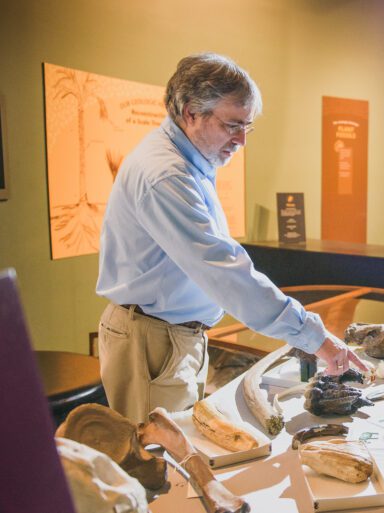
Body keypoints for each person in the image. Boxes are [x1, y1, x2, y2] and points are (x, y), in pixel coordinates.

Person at [96, 53, 365, 423]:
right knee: (159, 465)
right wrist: (312, 335)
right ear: (191, 113)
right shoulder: (167, 175)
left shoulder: (191, 161)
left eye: (246, 127)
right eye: (232, 125)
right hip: (151, 342)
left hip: (170, 337)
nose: (241, 140)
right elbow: (224, 270)